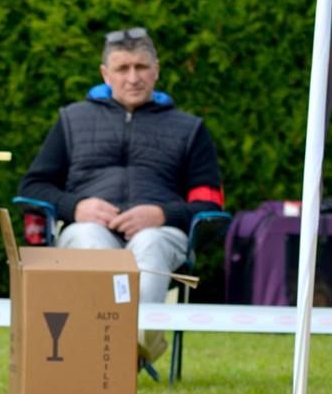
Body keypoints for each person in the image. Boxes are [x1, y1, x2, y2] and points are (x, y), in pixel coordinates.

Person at [17, 27, 224, 367]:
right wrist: (76, 207)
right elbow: (33, 187)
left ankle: (128, 347)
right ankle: (108, 344)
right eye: (122, 68)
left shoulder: (190, 128)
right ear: (105, 73)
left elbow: (210, 204)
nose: (133, 77)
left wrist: (162, 214)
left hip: (162, 235)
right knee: (88, 236)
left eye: (141, 67)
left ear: (156, 70)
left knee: (151, 243)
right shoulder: (71, 120)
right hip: (87, 231)